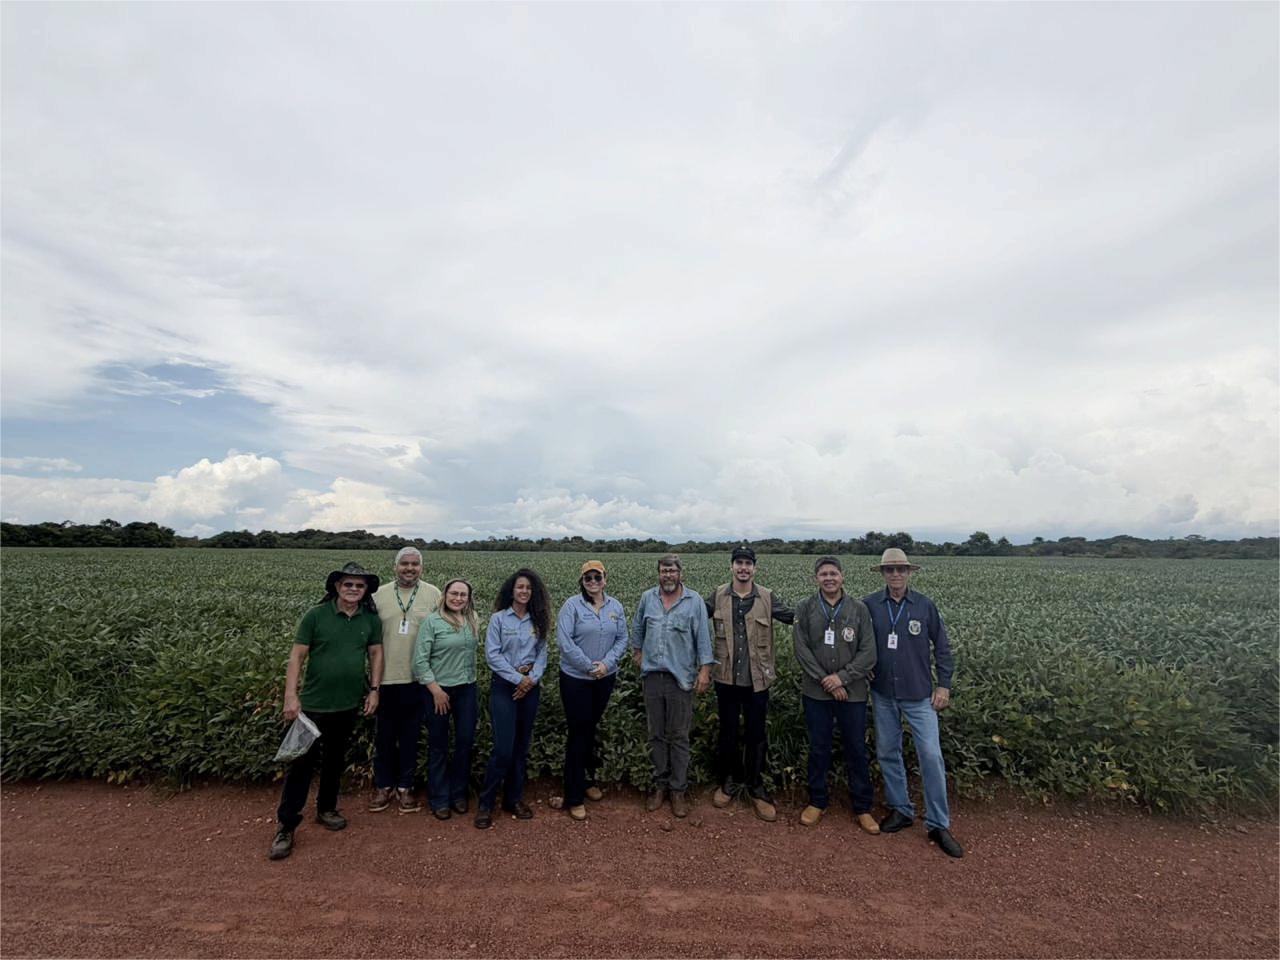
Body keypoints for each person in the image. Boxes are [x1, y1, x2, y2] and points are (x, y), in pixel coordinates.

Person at [269, 562, 383, 861]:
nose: (353, 589)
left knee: (335, 760)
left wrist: (374, 689)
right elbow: (297, 656)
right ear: (337, 587)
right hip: (312, 705)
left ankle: (326, 808)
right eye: (348, 584)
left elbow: (375, 653)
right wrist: (291, 696)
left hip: (347, 704)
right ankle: (286, 826)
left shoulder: (370, 619)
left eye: (359, 585)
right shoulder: (316, 615)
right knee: (301, 765)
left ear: (366, 590)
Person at [863, 548, 964, 858]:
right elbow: (858, 645)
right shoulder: (869, 605)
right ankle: (901, 809)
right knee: (887, 752)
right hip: (882, 693)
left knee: (931, 755)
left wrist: (944, 685)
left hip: (919, 695)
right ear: (883, 573)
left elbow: (943, 648)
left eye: (901, 569)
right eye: (890, 569)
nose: (895, 574)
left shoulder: (924, 605)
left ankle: (938, 824)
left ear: (909, 572)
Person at [704, 544, 793, 821]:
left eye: (748, 563)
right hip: (726, 677)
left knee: (756, 735)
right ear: (732, 566)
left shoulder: (767, 596)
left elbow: (795, 618)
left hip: (758, 679)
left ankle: (755, 787)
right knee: (728, 732)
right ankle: (728, 783)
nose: (743, 568)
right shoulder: (718, 595)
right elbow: (692, 619)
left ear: (755, 568)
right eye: (739, 563)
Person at [793, 555, 879, 833]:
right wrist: (827, 681)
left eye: (833, 573)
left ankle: (863, 807)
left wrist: (841, 678)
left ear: (842, 576)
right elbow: (801, 650)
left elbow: (869, 652)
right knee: (819, 747)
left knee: (856, 748)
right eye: (823, 574)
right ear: (815, 578)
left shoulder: (859, 609)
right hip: (816, 693)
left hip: (853, 693)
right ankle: (817, 801)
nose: (829, 578)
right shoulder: (805, 608)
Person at [630, 554, 713, 818]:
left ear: (680, 573)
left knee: (678, 736)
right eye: (664, 571)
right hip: (653, 677)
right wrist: (638, 653)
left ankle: (678, 790)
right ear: (659, 573)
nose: (668, 575)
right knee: (656, 734)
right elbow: (637, 628)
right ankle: (660, 786)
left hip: (681, 679)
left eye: (672, 571)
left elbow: (703, 638)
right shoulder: (647, 598)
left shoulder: (694, 601)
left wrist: (705, 670)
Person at [475, 568, 551, 829]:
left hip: (530, 687)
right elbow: (492, 655)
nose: (524, 591)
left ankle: (513, 799)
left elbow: (542, 653)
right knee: (503, 748)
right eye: (520, 587)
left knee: (521, 747)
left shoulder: (538, 619)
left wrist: (532, 679)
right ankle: (486, 804)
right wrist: (519, 679)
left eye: (528, 588)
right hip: (504, 686)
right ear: (512, 590)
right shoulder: (498, 619)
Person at [369, 546, 441, 814]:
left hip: (419, 678)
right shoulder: (378, 596)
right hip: (385, 678)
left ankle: (405, 787)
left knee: (411, 736)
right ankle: (383, 786)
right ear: (395, 567)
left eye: (415, 564)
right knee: (384, 736)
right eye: (404, 564)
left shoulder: (434, 594)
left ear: (421, 567)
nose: (409, 568)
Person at [555, 560, 629, 821]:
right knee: (579, 733)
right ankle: (573, 796)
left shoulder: (615, 606)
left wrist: (606, 664)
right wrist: (588, 666)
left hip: (604, 678)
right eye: (588, 578)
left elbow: (622, 638)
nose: (593, 582)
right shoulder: (571, 606)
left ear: (605, 579)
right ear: (582, 581)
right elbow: (564, 642)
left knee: (590, 729)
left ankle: (586, 781)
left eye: (598, 577)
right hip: (576, 679)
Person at [414, 578, 479, 820]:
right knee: (438, 744)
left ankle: (458, 794)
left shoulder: (472, 619)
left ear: (468, 599)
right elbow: (420, 661)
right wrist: (436, 690)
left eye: (463, 595)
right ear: (445, 595)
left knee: (465, 741)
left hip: (467, 688)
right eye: (454, 593)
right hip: (438, 691)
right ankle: (439, 798)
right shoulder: (432, 621)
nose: (458, 598)